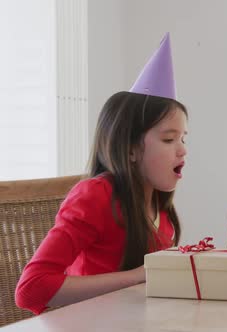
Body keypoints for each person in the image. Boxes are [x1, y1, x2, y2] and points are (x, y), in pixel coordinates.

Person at [15, 33, 187, 314]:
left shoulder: (160, 209)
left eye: (184, 138)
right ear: (130, 149)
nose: (182, 150)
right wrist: (137, 276)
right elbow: (31, 289)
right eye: (169, 140)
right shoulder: (95, 196)